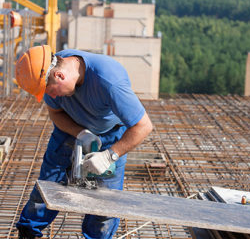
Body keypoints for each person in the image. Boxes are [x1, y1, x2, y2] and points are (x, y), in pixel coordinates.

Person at [14, 45, 153, 239]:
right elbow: (55, 113)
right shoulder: (50, 70)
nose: (51, 97)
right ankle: (28, 232)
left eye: (51, 91)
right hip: (71, 127)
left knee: (105, 204)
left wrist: (109, 155)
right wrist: (80, 133)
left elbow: (143, 126)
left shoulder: (109, 81)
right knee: (47, 186)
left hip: (111, 136)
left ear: (60, 76)